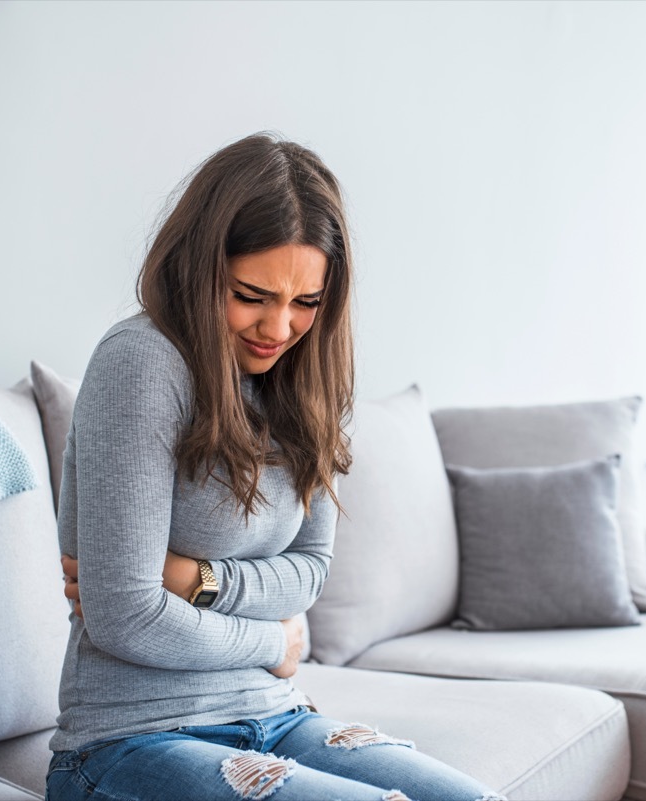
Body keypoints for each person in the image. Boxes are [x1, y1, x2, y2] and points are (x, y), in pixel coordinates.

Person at [47, 133, 503, 801]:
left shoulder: (310, 381)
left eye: (305, 303)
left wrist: (196, 578)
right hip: (129, 739)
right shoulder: (142, 361)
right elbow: (126, 617)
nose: (279, 326)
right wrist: (273, 642)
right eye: (251, 294)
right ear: (202, 269)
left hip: (280, 717)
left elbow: (310, 571)